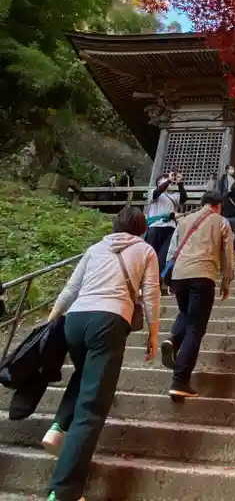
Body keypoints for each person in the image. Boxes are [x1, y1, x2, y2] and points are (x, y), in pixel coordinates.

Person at [41, 207, 160, 501]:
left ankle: (58, 427)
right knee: (92, 410)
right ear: (143, 228)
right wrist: (153, 334)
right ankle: (62, 492)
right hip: (108, 322)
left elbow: (71, 288)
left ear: (115, 225)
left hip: (75, 321)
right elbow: (151, 294)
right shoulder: (146, 251)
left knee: (84, 376)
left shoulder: (95, 248)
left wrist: (52, 319)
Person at [161, 191, 235, 398]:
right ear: (218, 205)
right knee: (195, 329)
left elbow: (172, 249)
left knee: (186, 313)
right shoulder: (221, 222)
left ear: (203, 203)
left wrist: (171, 279)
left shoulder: (184, 220)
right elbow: (227, 254)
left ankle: (174, 340)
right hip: (203, 275)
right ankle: (180, 380)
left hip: (180, 274)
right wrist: (226, 281)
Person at [146, 171, 187, 280]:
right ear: (159, 182)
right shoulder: (153, 192)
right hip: (155, 226)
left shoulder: (173, 196)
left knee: (164, 256)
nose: (168, 181)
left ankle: (158, 281)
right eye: (164, 179)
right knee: (150, 254)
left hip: (170, 228)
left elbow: (183, 198)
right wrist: (169, 180)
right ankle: (147, 280)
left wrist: (180, 183)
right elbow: (156, 193)